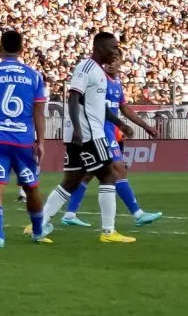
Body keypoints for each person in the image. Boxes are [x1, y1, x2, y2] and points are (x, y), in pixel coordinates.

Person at [39, 31, 135, 244]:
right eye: (113, 47)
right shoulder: (86, 68)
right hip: (89, 134)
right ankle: (108, 232)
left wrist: (120, 124)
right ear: (100, 49)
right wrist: (77, 129)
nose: (116, 51)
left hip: (86, 132)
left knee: (71, 181)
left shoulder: (99, 72)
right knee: (108, 176)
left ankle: (40, 224)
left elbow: (97, 107)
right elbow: (74, 97)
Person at [58, 66, 163, 231]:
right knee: (117, 169)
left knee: (87, 174)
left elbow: (124, 108)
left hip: (110, 130)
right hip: (98, 130)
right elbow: (79, 99)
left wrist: (145, 126)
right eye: (109, 60)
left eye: (116, 60)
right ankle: (138, 214)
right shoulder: (98, 79)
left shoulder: (116, 84)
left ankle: (69, 214)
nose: (112, 63)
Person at [0, 30, 50, 247]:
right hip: (23, 140)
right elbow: (39, 112)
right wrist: (40, 142)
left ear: (0, 48)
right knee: (31, 187)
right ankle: (37, 233)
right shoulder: (34, 76)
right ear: (22, 48)